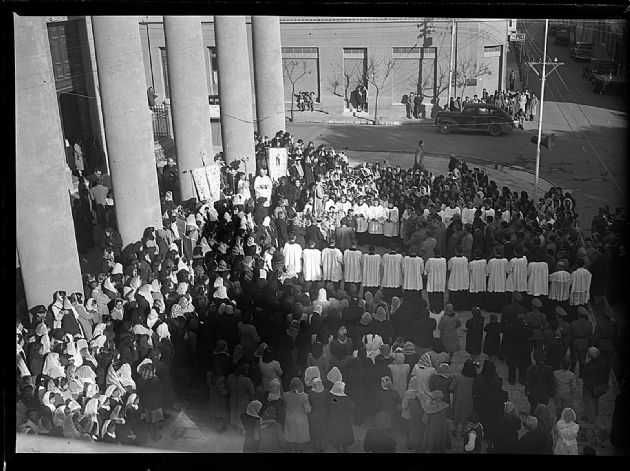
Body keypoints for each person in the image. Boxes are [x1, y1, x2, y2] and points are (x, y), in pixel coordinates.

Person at [581, 346, 609, 424]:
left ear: (591, 355)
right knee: (596, 400)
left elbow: (585, 374)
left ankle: (590, 418)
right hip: (598, 385)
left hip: (590, 386)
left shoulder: (590, 364)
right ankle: (595, 414)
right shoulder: (603, 361)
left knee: (589, 402)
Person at [283, 377, 311, 452]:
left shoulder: (285, 395)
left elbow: (284, 407)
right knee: (300, 437)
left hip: (290, 417)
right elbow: (307, 410)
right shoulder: (304, 396)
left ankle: (292, 450)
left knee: (291, 436)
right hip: (301, 418)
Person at [450, 360, 476, 437]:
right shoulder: (474, 379)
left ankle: (455, 429)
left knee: (456, 413)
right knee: (466, 414)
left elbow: (451, 387)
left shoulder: (457, 377)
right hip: (469, 400)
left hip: (458, 400)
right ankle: (464, 430)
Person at [327, 381, 355, 452]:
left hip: (334, 418)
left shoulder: (332, 397)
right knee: (344, 434)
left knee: (336, 433)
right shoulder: (345, 398)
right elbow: (352, 407)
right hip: (344, 419)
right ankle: (345, 449)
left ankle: (338, 449)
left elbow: (333, 403)